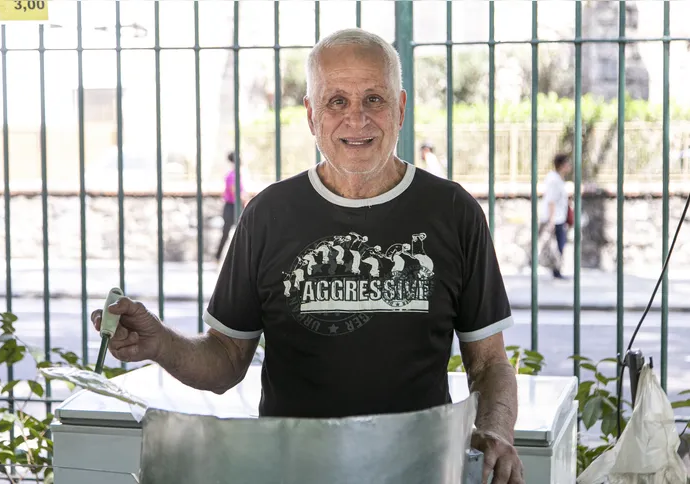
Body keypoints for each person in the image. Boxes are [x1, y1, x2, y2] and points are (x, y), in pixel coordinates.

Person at [92, 28, 524, 484]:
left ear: (399, 108)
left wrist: (495, 431)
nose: (356, 119)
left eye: (373, 99)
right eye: (336, 101)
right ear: (311, 115)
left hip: (418, 468)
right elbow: (224, 361)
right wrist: (159, 342)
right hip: (292, 470)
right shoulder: (269, 215)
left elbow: (490, 364)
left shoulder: (453, 212)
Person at [540, 153, 572, 279]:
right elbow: (551, 201)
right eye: (567, 163)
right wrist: (552, 221)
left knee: (560, 244)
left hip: (559, 217)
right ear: (561, 165)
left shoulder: (558, 178)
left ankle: (556, 269)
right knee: (557, 244)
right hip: (555, 218)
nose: (569, 166)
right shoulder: (554, 179)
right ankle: (555, 269)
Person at [214, 151, 241, 261]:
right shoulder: (232, 175)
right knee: (226, 232)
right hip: (231, 207)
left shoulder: (237, 175)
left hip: (236, 206)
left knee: (239, 232)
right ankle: (218, 256)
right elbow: (235, 191)